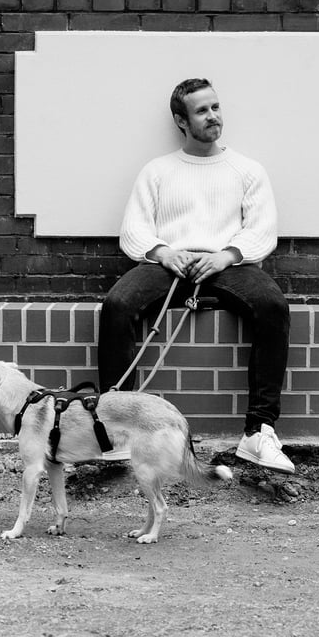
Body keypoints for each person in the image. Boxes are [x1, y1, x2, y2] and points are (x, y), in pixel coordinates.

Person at [97, 77, 294, 474]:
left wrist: (225, 256)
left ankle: (259, 433)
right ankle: (118, 430)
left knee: (273, 305)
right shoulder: (157, 171)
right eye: (202, 111)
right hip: (167, 263)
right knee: (117, 305)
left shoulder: (247, 170)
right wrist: (164, 252)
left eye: (215, 107)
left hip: (227, 265)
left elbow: (261, 231)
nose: (213, 117)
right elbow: (134, 230)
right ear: (181, 121)